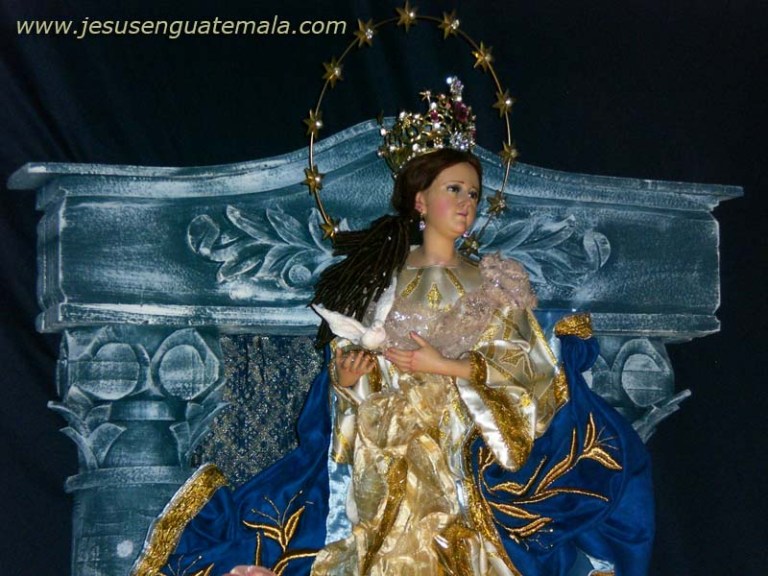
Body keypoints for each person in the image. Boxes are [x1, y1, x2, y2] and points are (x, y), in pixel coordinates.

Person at [132, 80, 653, 576]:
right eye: (454, 189)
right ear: (420, 200)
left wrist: (446, 366)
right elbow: (347, 369)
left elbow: (529, 373)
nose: (466, 203)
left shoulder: (497, 282)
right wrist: (345, 381)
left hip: (462, 451)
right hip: (384, 450)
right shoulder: (378, 280)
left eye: (474, 193)